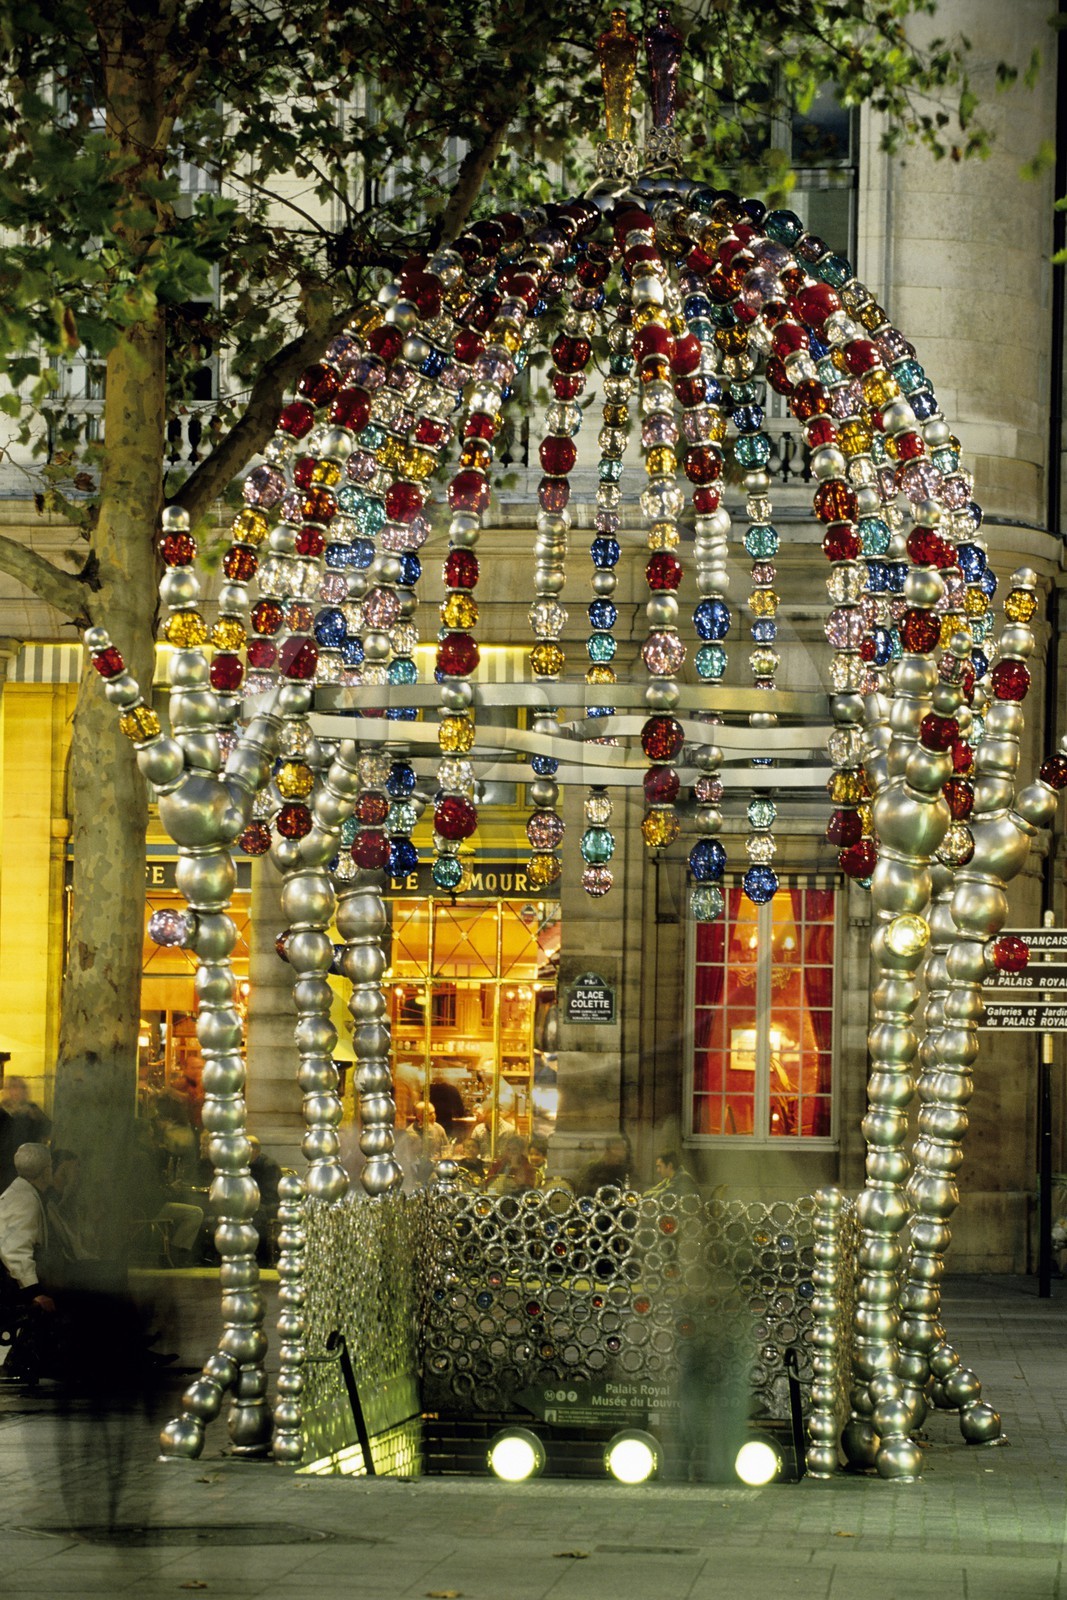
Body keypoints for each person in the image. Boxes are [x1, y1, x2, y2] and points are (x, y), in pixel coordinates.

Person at [0, 1143, 54, 1309]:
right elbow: (15, 1249)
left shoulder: (23, 1193)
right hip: (12, 1290)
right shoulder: (24, 1199)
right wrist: (34, 1291)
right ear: (45, 1171)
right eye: (51, 1166)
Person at [0, 1077, 51, 1193]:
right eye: (13, 1087)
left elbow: (48, 1130)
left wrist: (38, 1118)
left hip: (27, 1169)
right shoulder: (2, 1112)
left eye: (22, 1087)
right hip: (4, 1168)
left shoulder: (32, 1110)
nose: (18, 1091)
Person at [395, 1101, 449, 1189]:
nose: (434, 1116)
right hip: (417, 1175)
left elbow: (446, 1149)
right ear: (420, 1117)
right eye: (430, 1114)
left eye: (434, 1113)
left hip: (437, 1173)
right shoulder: (410, 1133)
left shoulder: (439, 1129)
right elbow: (409, 1159)